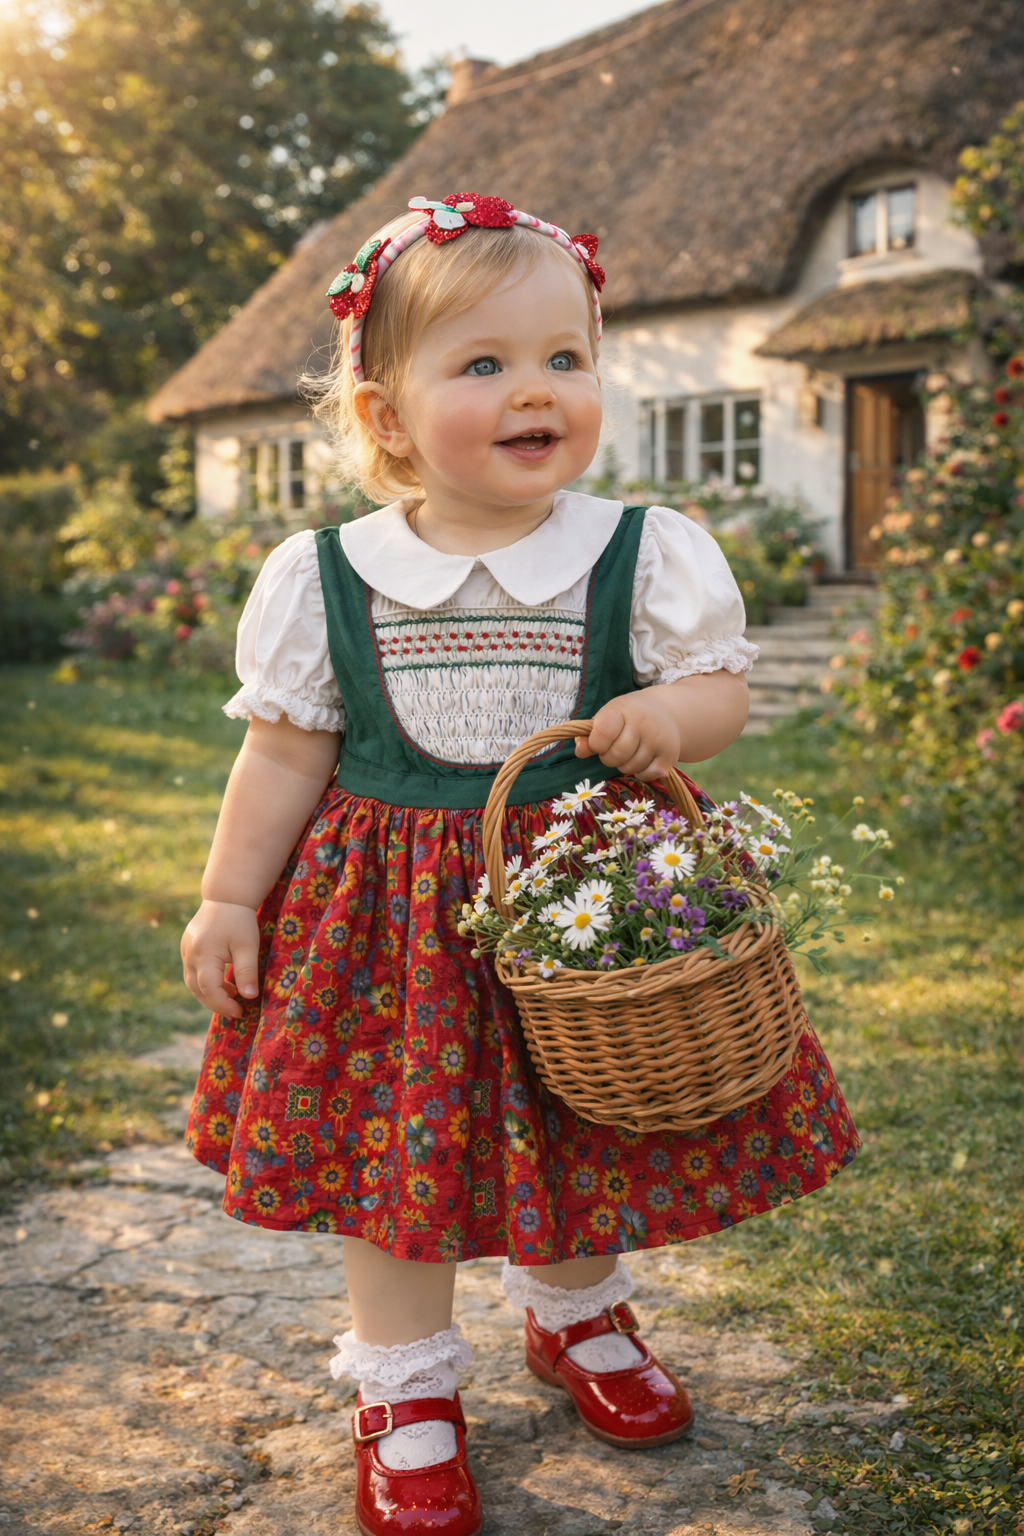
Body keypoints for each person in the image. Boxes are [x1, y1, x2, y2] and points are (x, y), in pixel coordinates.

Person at [180, 193, 859, 1536]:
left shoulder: (637, 552)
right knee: (395, 1153)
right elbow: (281, 757)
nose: (535, 391)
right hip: (384, 923)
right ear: (384, 414)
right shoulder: (328, 577)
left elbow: (716, 690)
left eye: (565, 358)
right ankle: (409, 1388)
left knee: (579, 1117)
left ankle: (577, 1314)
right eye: (483, 364)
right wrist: (226, 895)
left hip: (578, 909)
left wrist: (667, 719)